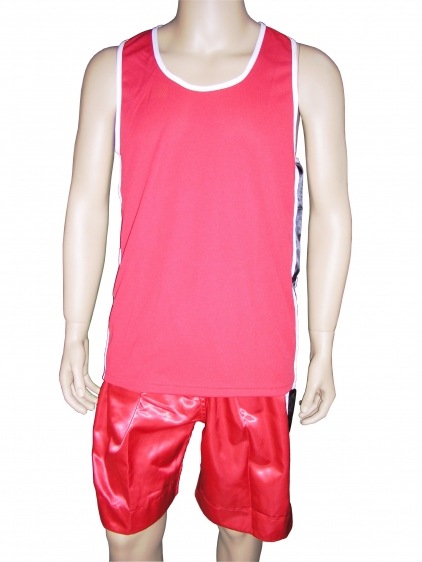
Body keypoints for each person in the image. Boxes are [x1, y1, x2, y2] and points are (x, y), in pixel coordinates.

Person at [59, 1, 351, 560]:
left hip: (253, 356)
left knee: (242, 534)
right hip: (144, 351)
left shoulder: (306, 71)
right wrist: (75, 329)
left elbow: (331, 212)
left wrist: (324, 343)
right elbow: (85, 205)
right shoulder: (113, 70)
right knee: (129, 536)